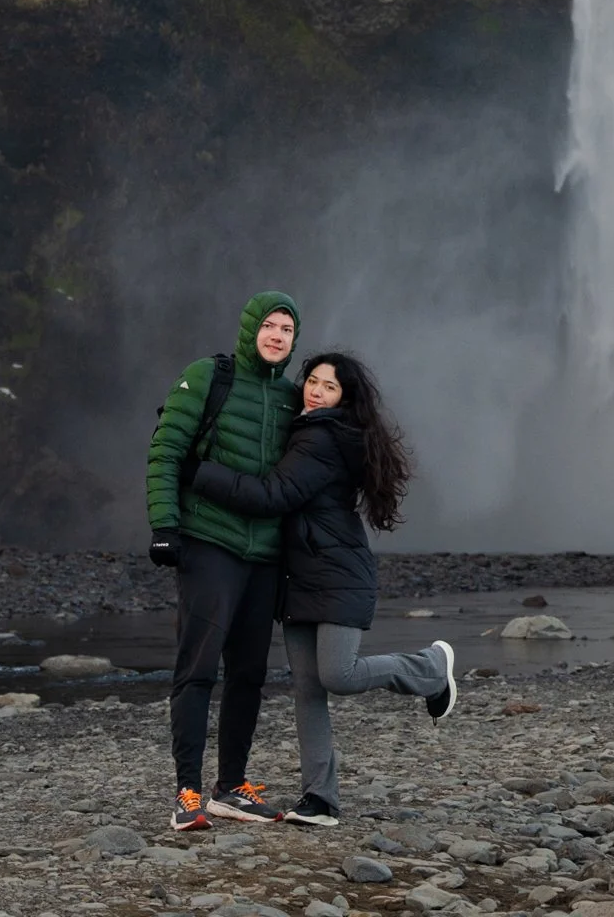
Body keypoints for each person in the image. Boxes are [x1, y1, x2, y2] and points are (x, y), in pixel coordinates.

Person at [192, 348, 455, 827]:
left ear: (344, 399)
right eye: (312, 380)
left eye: (329, 386)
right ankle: (321, 800)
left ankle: (431, 667)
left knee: (339, 675)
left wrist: (201, 473)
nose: (315, 390)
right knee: (308, 689)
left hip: (335, 573)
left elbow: (275, 495)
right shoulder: (306, 432)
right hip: (298, 576)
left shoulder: (322, 439)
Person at [147, 290, 300, 832]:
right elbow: (166, 450)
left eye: (287, 328)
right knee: (197, 668)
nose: (278, 335)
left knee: (250, 674)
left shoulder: (292, 398)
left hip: (263, 557)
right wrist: (164, 526)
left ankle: (231, 788)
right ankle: (187, 792)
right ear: (250, 328)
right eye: (270, 325)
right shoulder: (210, 377)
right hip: (210, 543)